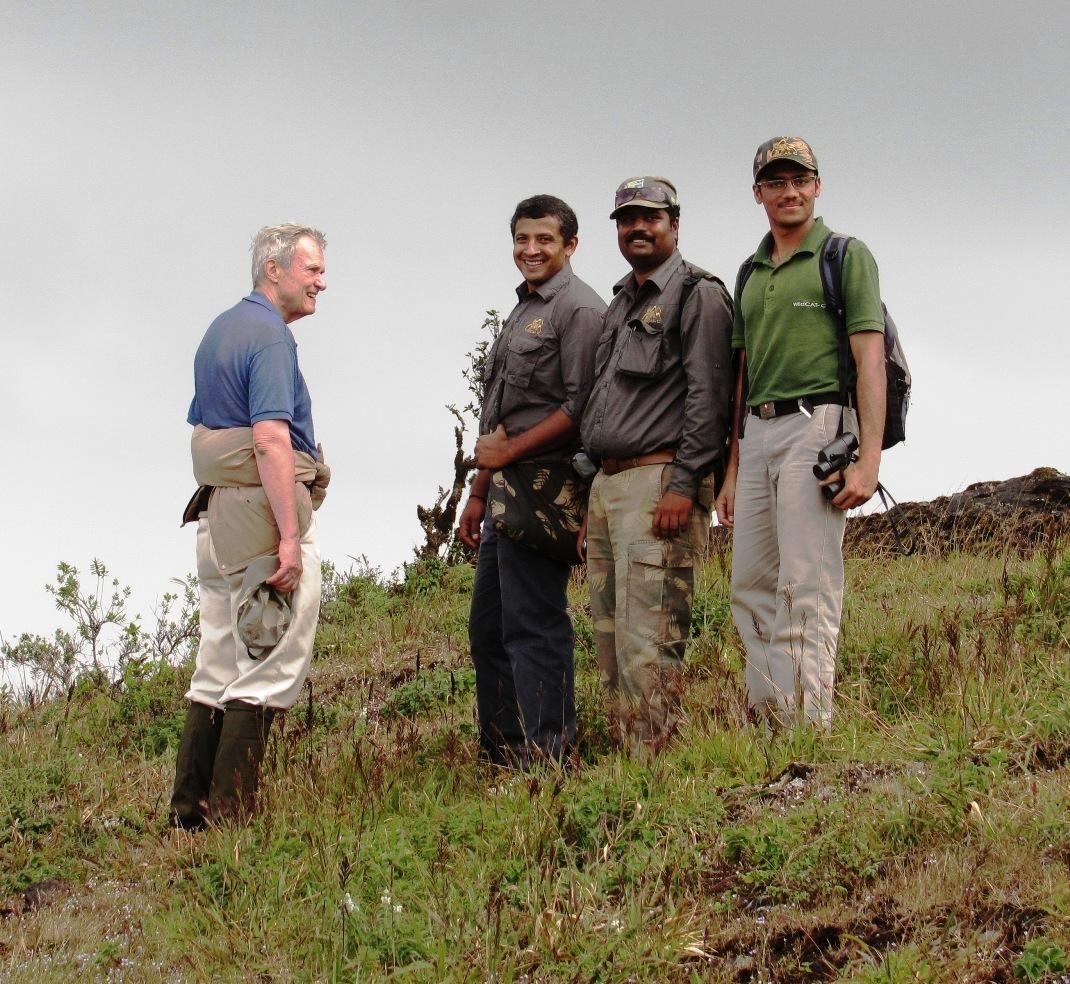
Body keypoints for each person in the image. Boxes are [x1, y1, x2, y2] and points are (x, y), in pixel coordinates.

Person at [715, 137, 886, 729]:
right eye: (776, 182)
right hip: (757, 432)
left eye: (800, 180)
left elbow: (871, 358)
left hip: (818, 424)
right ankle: (770, 726)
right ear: (758, 192)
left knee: (804, 588)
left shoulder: (844, 254)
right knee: (751, 587)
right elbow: (741, 374)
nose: (789, 191)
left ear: (817, 186)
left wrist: (868, 460)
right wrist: (731, 471)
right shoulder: (749, 270)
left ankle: (808, 736)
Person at [170, 223, 331, 829]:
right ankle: (233, 818)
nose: (322, 281)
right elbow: (268, 438)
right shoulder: (269, 337)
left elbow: (207, 432)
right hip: (259, 516)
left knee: (217, 656)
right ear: (275, 270)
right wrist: (289, 537)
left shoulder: (220, 330)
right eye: (312, 270)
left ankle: (190, 811)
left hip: (214, 514)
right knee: (271, 657)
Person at [580, 177, 733, 751]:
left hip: (659, 481)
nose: (637, 228)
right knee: (612, 643)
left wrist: (685, 482)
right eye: (626, 219)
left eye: (651, 217)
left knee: (651, 644)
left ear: (675, 223)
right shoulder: (621, 301)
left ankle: (655, 774)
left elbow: (709, 396)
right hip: (608, 483)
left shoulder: (698, 294)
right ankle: (627, 771)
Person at [458, 195, 605, 766]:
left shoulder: (580, 310)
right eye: (522, 239)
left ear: (570, 245)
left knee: (533, 624)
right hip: (501, 492)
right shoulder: (523, 309)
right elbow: (499, 408)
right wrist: (476, 492)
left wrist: (509, 452)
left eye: (544, 239)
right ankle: (503, 752)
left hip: (546, 491)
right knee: (488, 628)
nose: (531, 250)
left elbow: (580, 409)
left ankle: (551, 755)